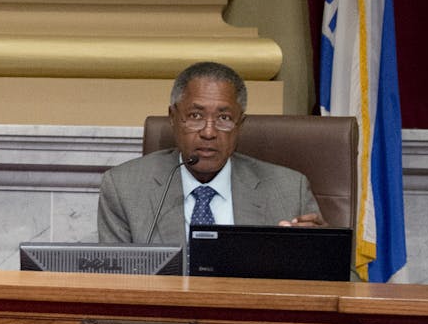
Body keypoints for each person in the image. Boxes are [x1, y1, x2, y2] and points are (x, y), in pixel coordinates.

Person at [97, 61, 323, 244]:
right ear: (173, 118)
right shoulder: (124, 188)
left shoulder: (290, 191)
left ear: (240, 124)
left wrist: (323, 253)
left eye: (224, 118)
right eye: (195, 116)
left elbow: (348, 281)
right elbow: (113, 282)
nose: (208, 132)